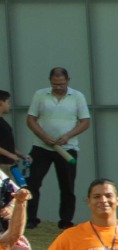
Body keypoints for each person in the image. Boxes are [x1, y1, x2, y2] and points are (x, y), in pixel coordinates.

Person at [21, 71, 92, 229]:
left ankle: (66, 221)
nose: (58, 87)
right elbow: (31, 119)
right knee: (32, 183)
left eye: (61, 84)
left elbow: (85, 121)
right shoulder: (40, 95)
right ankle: (31, 219)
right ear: (50, 81)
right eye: (54, 84)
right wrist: (43, 136)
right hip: (41, 147)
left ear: (68, 80)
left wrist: (68, 136)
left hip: (67, 148)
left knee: (67, 185)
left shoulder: (77, 96)